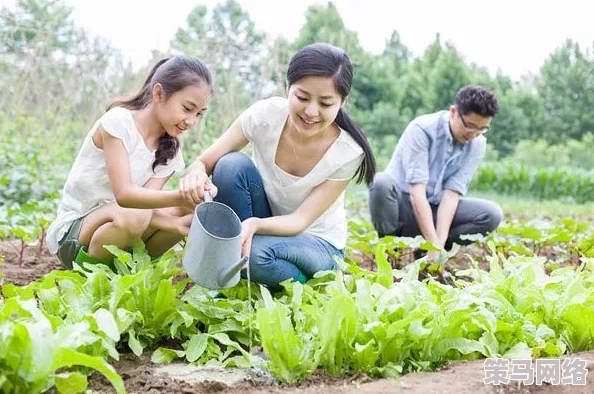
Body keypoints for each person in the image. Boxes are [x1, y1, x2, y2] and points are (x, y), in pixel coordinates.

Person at [179, 43, 376, 292]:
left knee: (256, 255)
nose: (311, 111)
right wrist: (195, 174)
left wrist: (254, 226)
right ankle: (238, 263)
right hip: (265, 220)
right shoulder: (265, 115)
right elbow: (204, 162)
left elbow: (299, 220)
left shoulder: (348, 152)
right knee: (230, 166)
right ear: (287, 88)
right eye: (302, 97)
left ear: (342, 102)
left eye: (326, 104)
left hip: (315, 241)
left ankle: (304, 286)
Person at [46, 55, 214, 269]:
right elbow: (125, 196)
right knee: (141, 212)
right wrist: (180, 198)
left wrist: (180, 218)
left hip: (123, 226)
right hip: (75, 234)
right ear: (159, 93)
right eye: (187, 108)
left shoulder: (170, 152)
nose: (191, 121)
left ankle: (127, 273)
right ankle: (89, 279)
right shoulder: (119, 123)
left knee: (191, 212)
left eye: (199, 114)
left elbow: (147, 209)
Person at [368, 85, 503, 261]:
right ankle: (392, 251)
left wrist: (436, 245)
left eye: (482, 129)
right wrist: (433, 242)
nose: (473, 134)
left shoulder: (477, 144)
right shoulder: (422, 129)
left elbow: (451, 196)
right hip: (403, 208)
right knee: (381, 183)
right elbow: (417, 193)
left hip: (435, 210)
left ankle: (429, 254)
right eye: (469, 126)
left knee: (491, 214)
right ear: (453, 112)